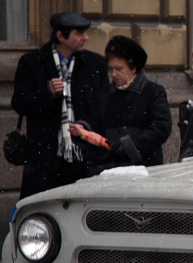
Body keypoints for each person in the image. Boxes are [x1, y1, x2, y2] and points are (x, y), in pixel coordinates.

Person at [11, 12, 107, 199]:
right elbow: (19, 103)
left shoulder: (94, 64)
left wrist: (86, 128)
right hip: (44, 158)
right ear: (61, 36)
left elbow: (103, 109)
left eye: (85, 32)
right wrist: (46, 93)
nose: (85, 37)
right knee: (41, 213)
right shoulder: (32, 63)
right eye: (79, 33)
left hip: (84, 156)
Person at [72, 36, 172, 169]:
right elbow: (97, 121)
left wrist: (128, 147)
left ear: (133, 68)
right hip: (110, 166)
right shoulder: (105, 94)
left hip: (144, 166)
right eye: (111, 69)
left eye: (119, 69)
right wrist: (84, 128)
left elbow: (161, 128)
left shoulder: (152, 92)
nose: (113, 74)